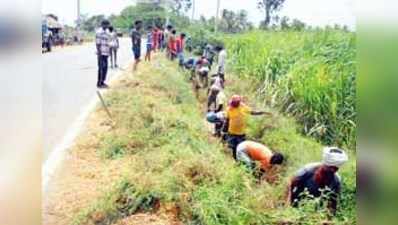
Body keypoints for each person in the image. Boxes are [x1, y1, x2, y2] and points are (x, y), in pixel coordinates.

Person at [287, 147, 349, 215]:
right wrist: (288, 203)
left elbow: (333, 203)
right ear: (325, 165)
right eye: (330, 168)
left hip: (315, 211)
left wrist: (329, 218)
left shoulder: (336, 181)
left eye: (335, 169)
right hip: (297, 204)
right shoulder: (308, 170)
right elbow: (290, 183)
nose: (333, 170)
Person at [224, 95, 272, 159]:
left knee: (241, 148)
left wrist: (262, 112)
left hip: (241, 133)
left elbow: (253, 112)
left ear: (238, 103)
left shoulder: (243, 107)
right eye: (233, 103)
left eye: (235, 103)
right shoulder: (229, 109)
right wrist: (224, 130)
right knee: (234, 147)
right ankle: (235, 159)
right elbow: (227, 121)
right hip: (232, 132)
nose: (233, 104)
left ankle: (240, 160)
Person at [95, 20, 111, 88]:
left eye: (107, 25)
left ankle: (103, 82)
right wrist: (99, 53)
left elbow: (108, 42)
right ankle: (99, 83)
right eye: (105, 25)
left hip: (106, 53)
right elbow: (98, 43)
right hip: (101, 53)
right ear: (102, 25)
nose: (107, 26)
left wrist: (109, 52)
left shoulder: (107, 32)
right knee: (101, 68)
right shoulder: (99, 32)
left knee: (105, 68)